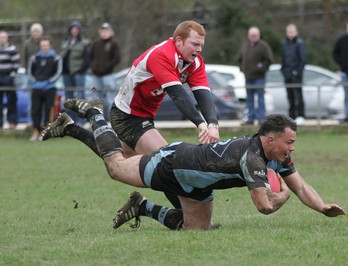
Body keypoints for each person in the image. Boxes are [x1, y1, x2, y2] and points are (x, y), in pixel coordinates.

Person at [42, 100, 345, 230]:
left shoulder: (276, 156)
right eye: (289, 142)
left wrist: (321, 207)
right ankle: (95, 115)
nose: (293, 148)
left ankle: (143, 207)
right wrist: (283, 195)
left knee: (196, 229)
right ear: (270, 139)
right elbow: (264, 206)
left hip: (198, 182)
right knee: (117, 168)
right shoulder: (252, 156)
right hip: (175, 163)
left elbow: (301, 184)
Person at [44, 21, 220, 209]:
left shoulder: (194, 62)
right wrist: (201, 124)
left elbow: (203, 94)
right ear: (178, 40)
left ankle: (70, 128)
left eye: (202, 45)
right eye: (195, 44)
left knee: (117, 157)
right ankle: (185, 214)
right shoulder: (161, 55)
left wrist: (213, 124)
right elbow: (178, 95)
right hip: (127, 116)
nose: (199, 49)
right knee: (167, 161)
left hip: (144, 116)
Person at [27, 36, 62, 141]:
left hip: (50, 88)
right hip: (36, 88)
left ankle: (45, 132)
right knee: (35, 111)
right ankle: (35, 132)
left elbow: (58, 72)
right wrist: (36, 82)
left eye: (46, 45)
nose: (44, 47)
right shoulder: (34, 58)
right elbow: (30, 72)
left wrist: (49, 82)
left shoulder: (56, 58)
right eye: (42, 45)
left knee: (49, 110)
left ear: (50, 45)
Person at [238, 26, 274, 126]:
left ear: (258, 35)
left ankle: (261, 118)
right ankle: (250, 118)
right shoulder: (245, 46)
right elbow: (239, 59)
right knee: (249, 99)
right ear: (248, 36)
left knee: (260, 98)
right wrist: (243, 69)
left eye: (255, 35)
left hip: (259, 78)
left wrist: (261, 69)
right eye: (251, 35)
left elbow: (268, 60)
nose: (253, 37)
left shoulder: (263, 46)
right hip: (248, 77)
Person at [88, 22, 120, 121]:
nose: (104, 33)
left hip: (108, 75)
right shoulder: (96, 43)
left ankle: (112, 120)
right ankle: (99, 119)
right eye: (102, 31)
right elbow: (90, 57)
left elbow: (117, 58)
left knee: (110, 98)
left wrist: (107, 67)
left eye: (106, 31)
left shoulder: (114, 43)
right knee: (97, 99)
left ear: (111, 32)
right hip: (96, 76)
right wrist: (93, 67)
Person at [60, 21, 90, 124]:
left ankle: (81, 121)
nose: (74, 31)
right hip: (66, 73)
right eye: (73, 29)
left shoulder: (84, 43)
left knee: (80, 96)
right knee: (68, 98)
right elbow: (62, 57)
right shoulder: (66, 43)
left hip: (78, 73)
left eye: (77, 29)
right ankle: (70, 121)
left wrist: (82, 69)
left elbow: (87, 58)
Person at [281, 23, 307, 124]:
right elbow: (283, 59)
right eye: (288, 32)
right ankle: (292, 115)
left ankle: (300, 115)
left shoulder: (300, 43)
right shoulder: (285, 44)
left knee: (298, 95)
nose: (290, 33)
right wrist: (283, 71)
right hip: (287, 74)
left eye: (292, 31)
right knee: (290, 95)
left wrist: (297, 71)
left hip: (297, 74)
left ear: (296, 32)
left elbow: (303, 59)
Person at [0, 29, 20, 130]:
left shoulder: (12, 49)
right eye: (0, 37)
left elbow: (16, 63)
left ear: (7, 38)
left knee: (11, 100)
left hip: (8, 76)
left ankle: (12, 122)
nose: (1, 39)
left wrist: (12, 75)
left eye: (3, 37)